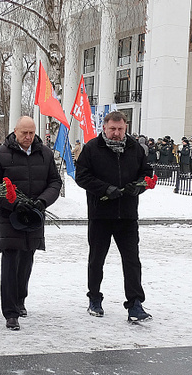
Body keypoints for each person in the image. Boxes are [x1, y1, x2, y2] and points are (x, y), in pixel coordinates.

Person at [75, 111, 153, 322]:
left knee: (132, 260)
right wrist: (105, 189)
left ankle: (135, 303)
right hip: (100, 215)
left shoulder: (135, 148)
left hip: (127, 215)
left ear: (125, 128)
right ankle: (94, 298)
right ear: (104, 128)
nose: (116, 133)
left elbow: (146, 173)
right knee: (97, 259)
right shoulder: (92, 148)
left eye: (120, 129)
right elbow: (81, 176)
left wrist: (139, 187)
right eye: (113, 129)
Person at [0, 116, 62, 331]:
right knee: (11, 261)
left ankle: (20, 300)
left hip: (35, 214)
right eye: (24, 133)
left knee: (28, 258)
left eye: (31, 132)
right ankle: (10, 312)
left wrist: (42, 201)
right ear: (15, 131)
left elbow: (54, 182)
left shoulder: (45, 153)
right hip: (10, 216)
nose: (28, 137)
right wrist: (13, 203)